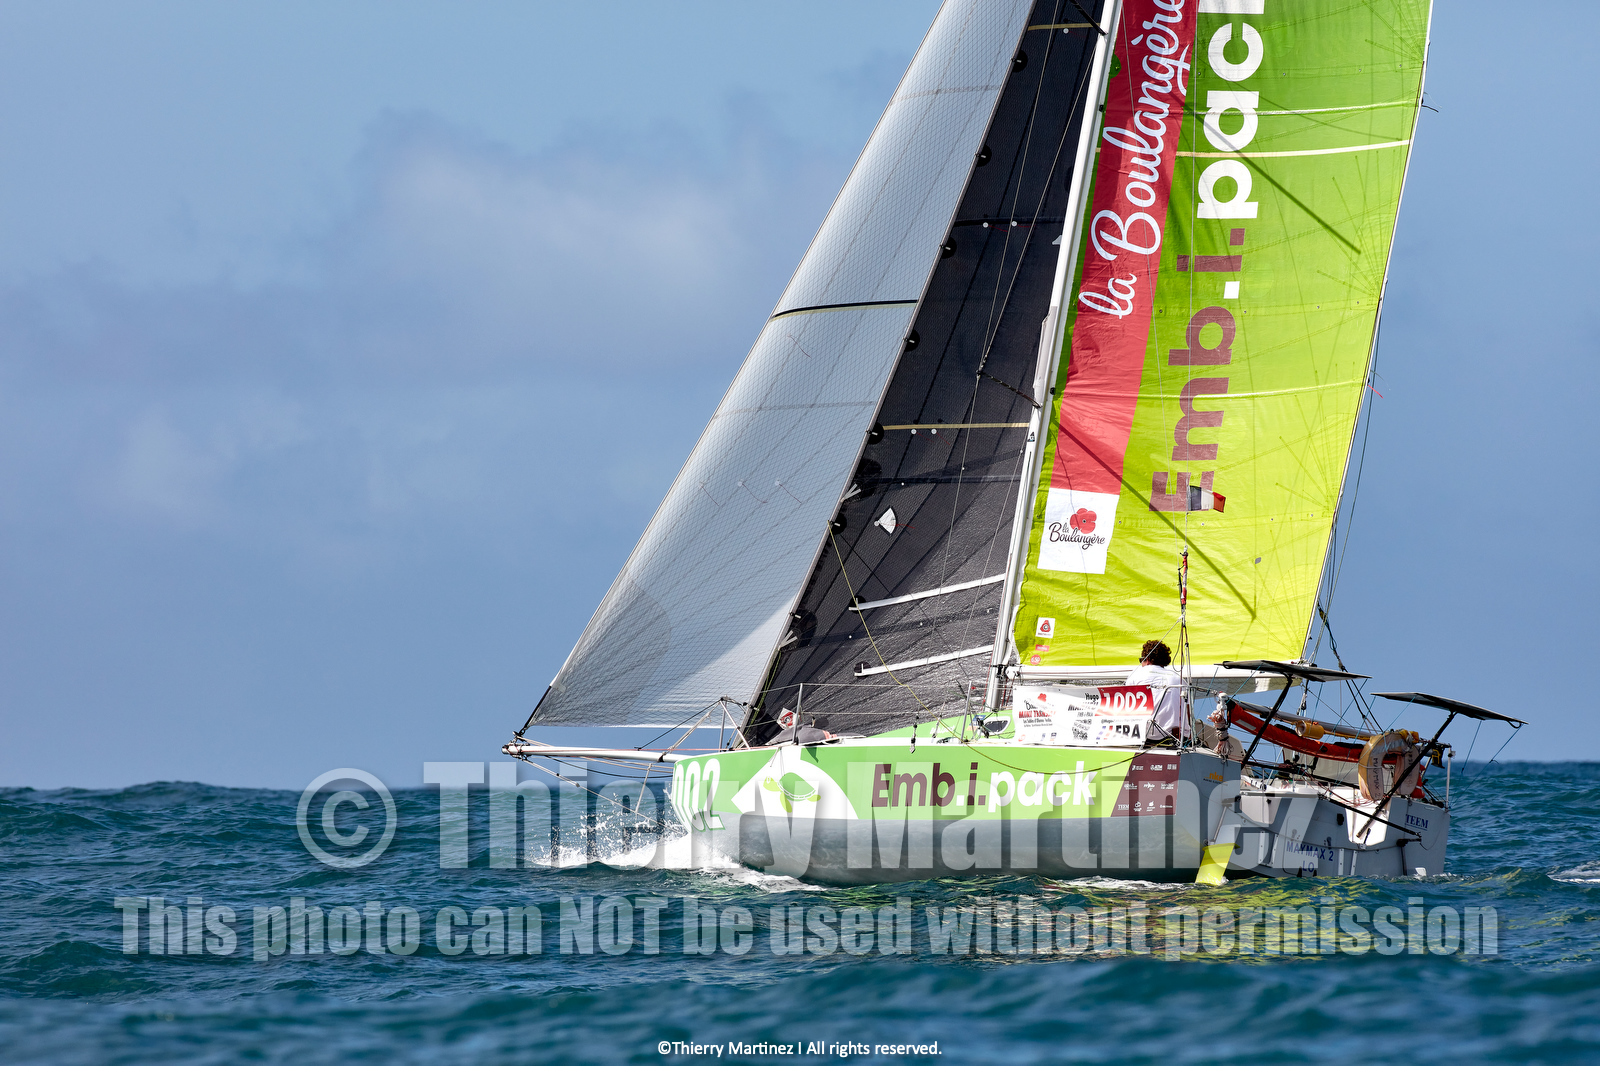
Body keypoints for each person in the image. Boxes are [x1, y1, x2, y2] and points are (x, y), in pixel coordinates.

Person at [1124, 639, 1187, 744]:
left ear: (1147, 659)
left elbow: (1126, 709)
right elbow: (1186, 712)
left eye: (1141, 660)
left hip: (1142, 738)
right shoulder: (1179, 679)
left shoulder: (1135, 676)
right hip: (1175, 739)